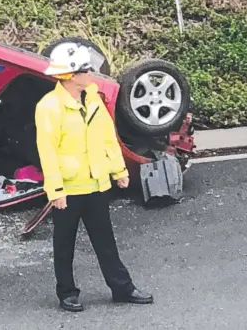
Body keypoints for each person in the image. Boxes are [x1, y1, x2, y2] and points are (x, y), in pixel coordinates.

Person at [35, 45, 154, 312]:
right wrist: (55, 190)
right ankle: (67, 292)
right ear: (69, 75)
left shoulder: (92, 98)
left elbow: (107, 138)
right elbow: (47, 150)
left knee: (105, 240)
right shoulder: (49, 107)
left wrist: (119, 171)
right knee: (64, 243)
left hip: (97, 183)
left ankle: (122, 287)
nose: (90, 73)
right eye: (84, 69)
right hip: (68, 187)